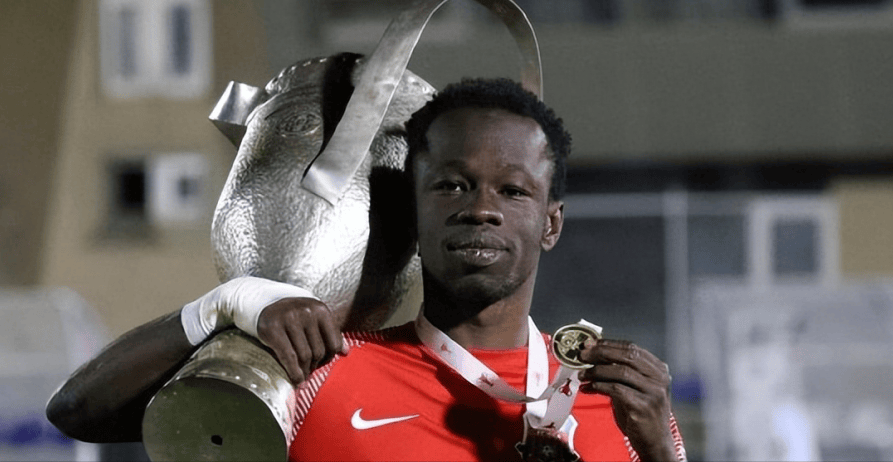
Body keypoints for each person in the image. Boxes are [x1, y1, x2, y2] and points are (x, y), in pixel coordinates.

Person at [48, 78, 685, 461]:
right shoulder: (321, 369)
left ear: (551, 223)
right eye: (452, 185)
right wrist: (222, 305)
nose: (481, 209)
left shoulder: (618, 404)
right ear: (413, 211)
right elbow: (78, 412)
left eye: (513, 191)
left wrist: (660, 450)